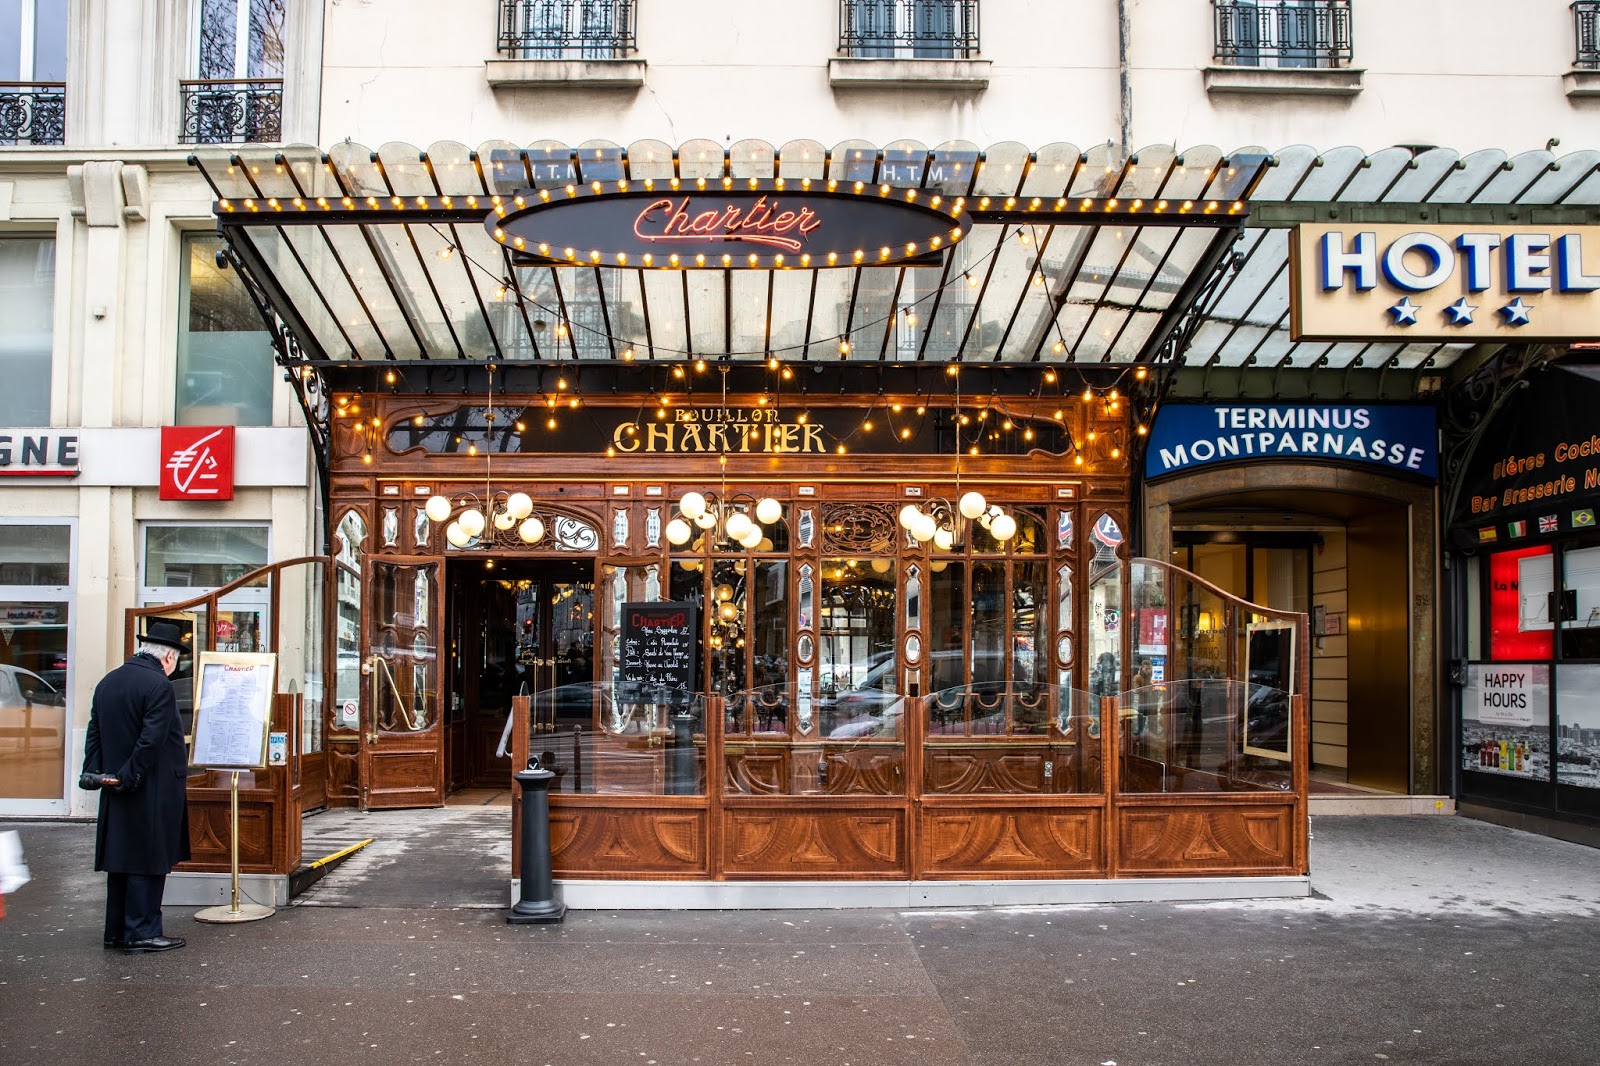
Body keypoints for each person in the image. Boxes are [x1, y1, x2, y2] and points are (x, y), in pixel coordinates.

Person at [81, 620, 192, 954]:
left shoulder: (109, 681)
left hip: (116, 784)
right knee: (148, 858)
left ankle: (116, 931)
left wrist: (99, 773)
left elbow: (94, 731)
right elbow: (151, 740)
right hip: (150, 787)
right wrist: (129, 777)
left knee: (121, 859)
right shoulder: (158, 685)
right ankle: (143, 931)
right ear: (169, 657)